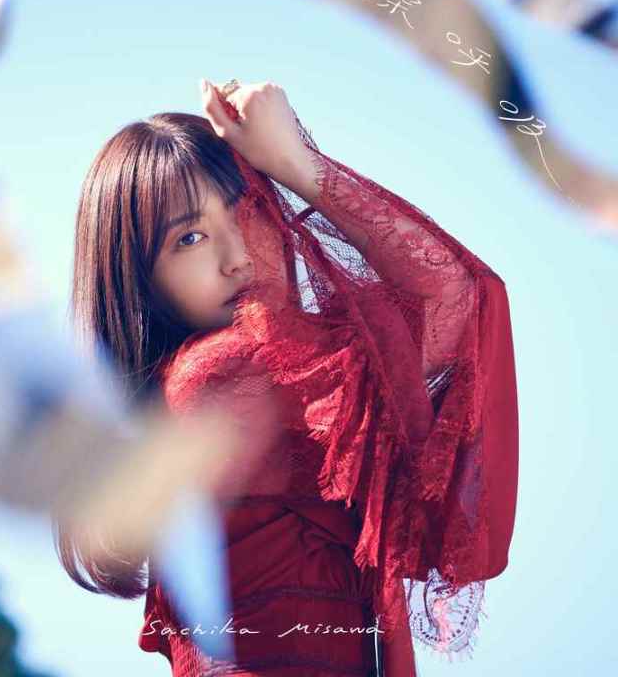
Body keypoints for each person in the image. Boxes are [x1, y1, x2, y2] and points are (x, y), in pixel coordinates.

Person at [57, 79, 519, 677]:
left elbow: (452, 305)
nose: (237, 257)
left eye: (249, 210)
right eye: (189, 238)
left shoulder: (284, 370)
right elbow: (454, 297)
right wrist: (296, 164)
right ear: (138, 283)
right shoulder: (218, 375)